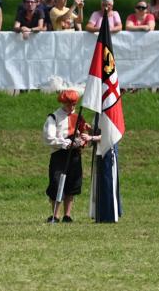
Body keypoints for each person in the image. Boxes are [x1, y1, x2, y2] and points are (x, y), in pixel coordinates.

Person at [44, 88, 99, 223]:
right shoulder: (54, 117)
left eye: (74, 104)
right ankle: (55, 215)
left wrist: (82, 140)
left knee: (72, 184)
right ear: (63, 102)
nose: (72, 107)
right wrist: (65, 143)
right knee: (56, 183)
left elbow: (84, 134)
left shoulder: (78, 117)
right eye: (69, 104)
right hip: (59, 155)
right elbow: (48, 137)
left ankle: (67, 215)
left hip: (74, 155)